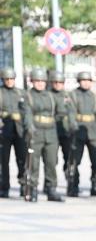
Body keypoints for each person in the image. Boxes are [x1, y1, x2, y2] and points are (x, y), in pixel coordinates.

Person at [26, 69, 63, 203]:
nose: (40, 84)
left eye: (42, 81)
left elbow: (60, 112)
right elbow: (27, 113)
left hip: (51, 133)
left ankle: (51, 189)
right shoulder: (28, 96)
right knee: (33, 164)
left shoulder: (51, 96)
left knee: (51, 163)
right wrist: (29, 126)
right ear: (32, 82)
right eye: (37, 81)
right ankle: (32, 189)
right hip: (36, 133)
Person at [66, 71, 96, 198]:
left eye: (88, 81)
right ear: (79, 81)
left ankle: (95, 185)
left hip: (92, 131)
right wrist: (72, 124)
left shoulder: (94, 96)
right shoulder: (73, 95)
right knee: (75, 161)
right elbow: (70, 112)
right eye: (84, 80)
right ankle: (73, 186)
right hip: (78, 131)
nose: (86, 83)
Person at [1, 67, 33, 199]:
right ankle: (3, 187)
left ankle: (23, 185)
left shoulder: (21, 93)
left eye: (11, 79)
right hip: (4, 130)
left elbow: (27, 111)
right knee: (3, 161)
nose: (9, 81)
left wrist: (29, 126)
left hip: (20, 130)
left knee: (22, 159)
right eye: (7, 79)